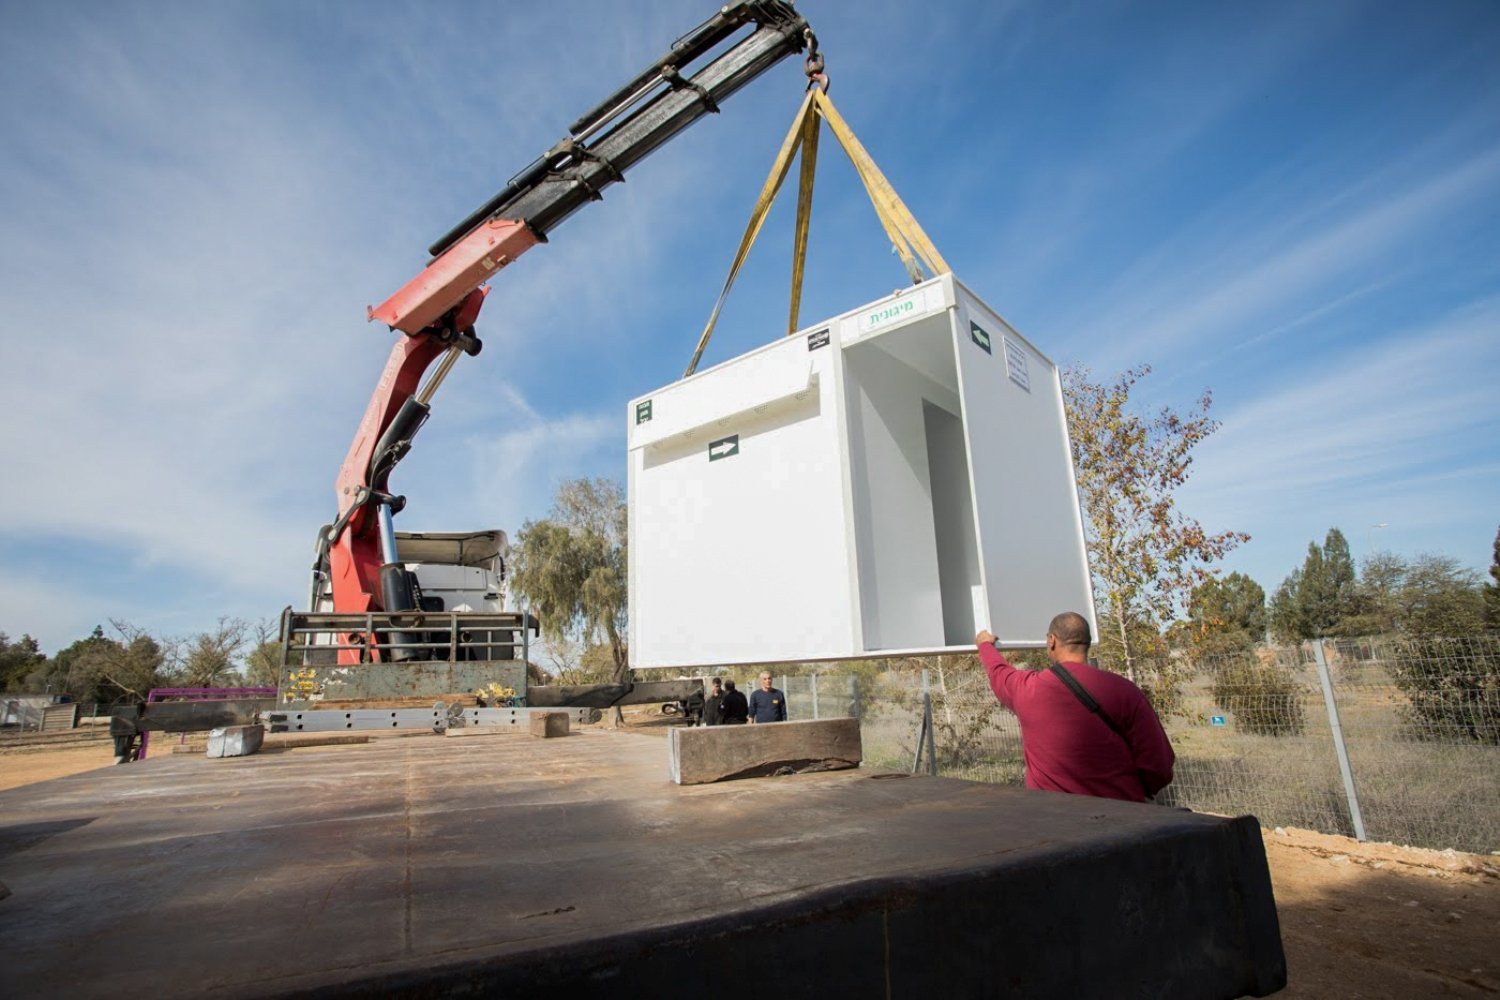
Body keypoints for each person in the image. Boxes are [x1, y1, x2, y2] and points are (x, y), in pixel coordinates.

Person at [976, 612, 1173, 803]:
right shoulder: (1125, 690)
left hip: (1056, 820)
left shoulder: (1028, 688)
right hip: (1121, 817)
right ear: (1087, 642)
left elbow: (999, 672)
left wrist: (985, 644)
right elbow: (1159, 767)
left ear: (1051, 640)